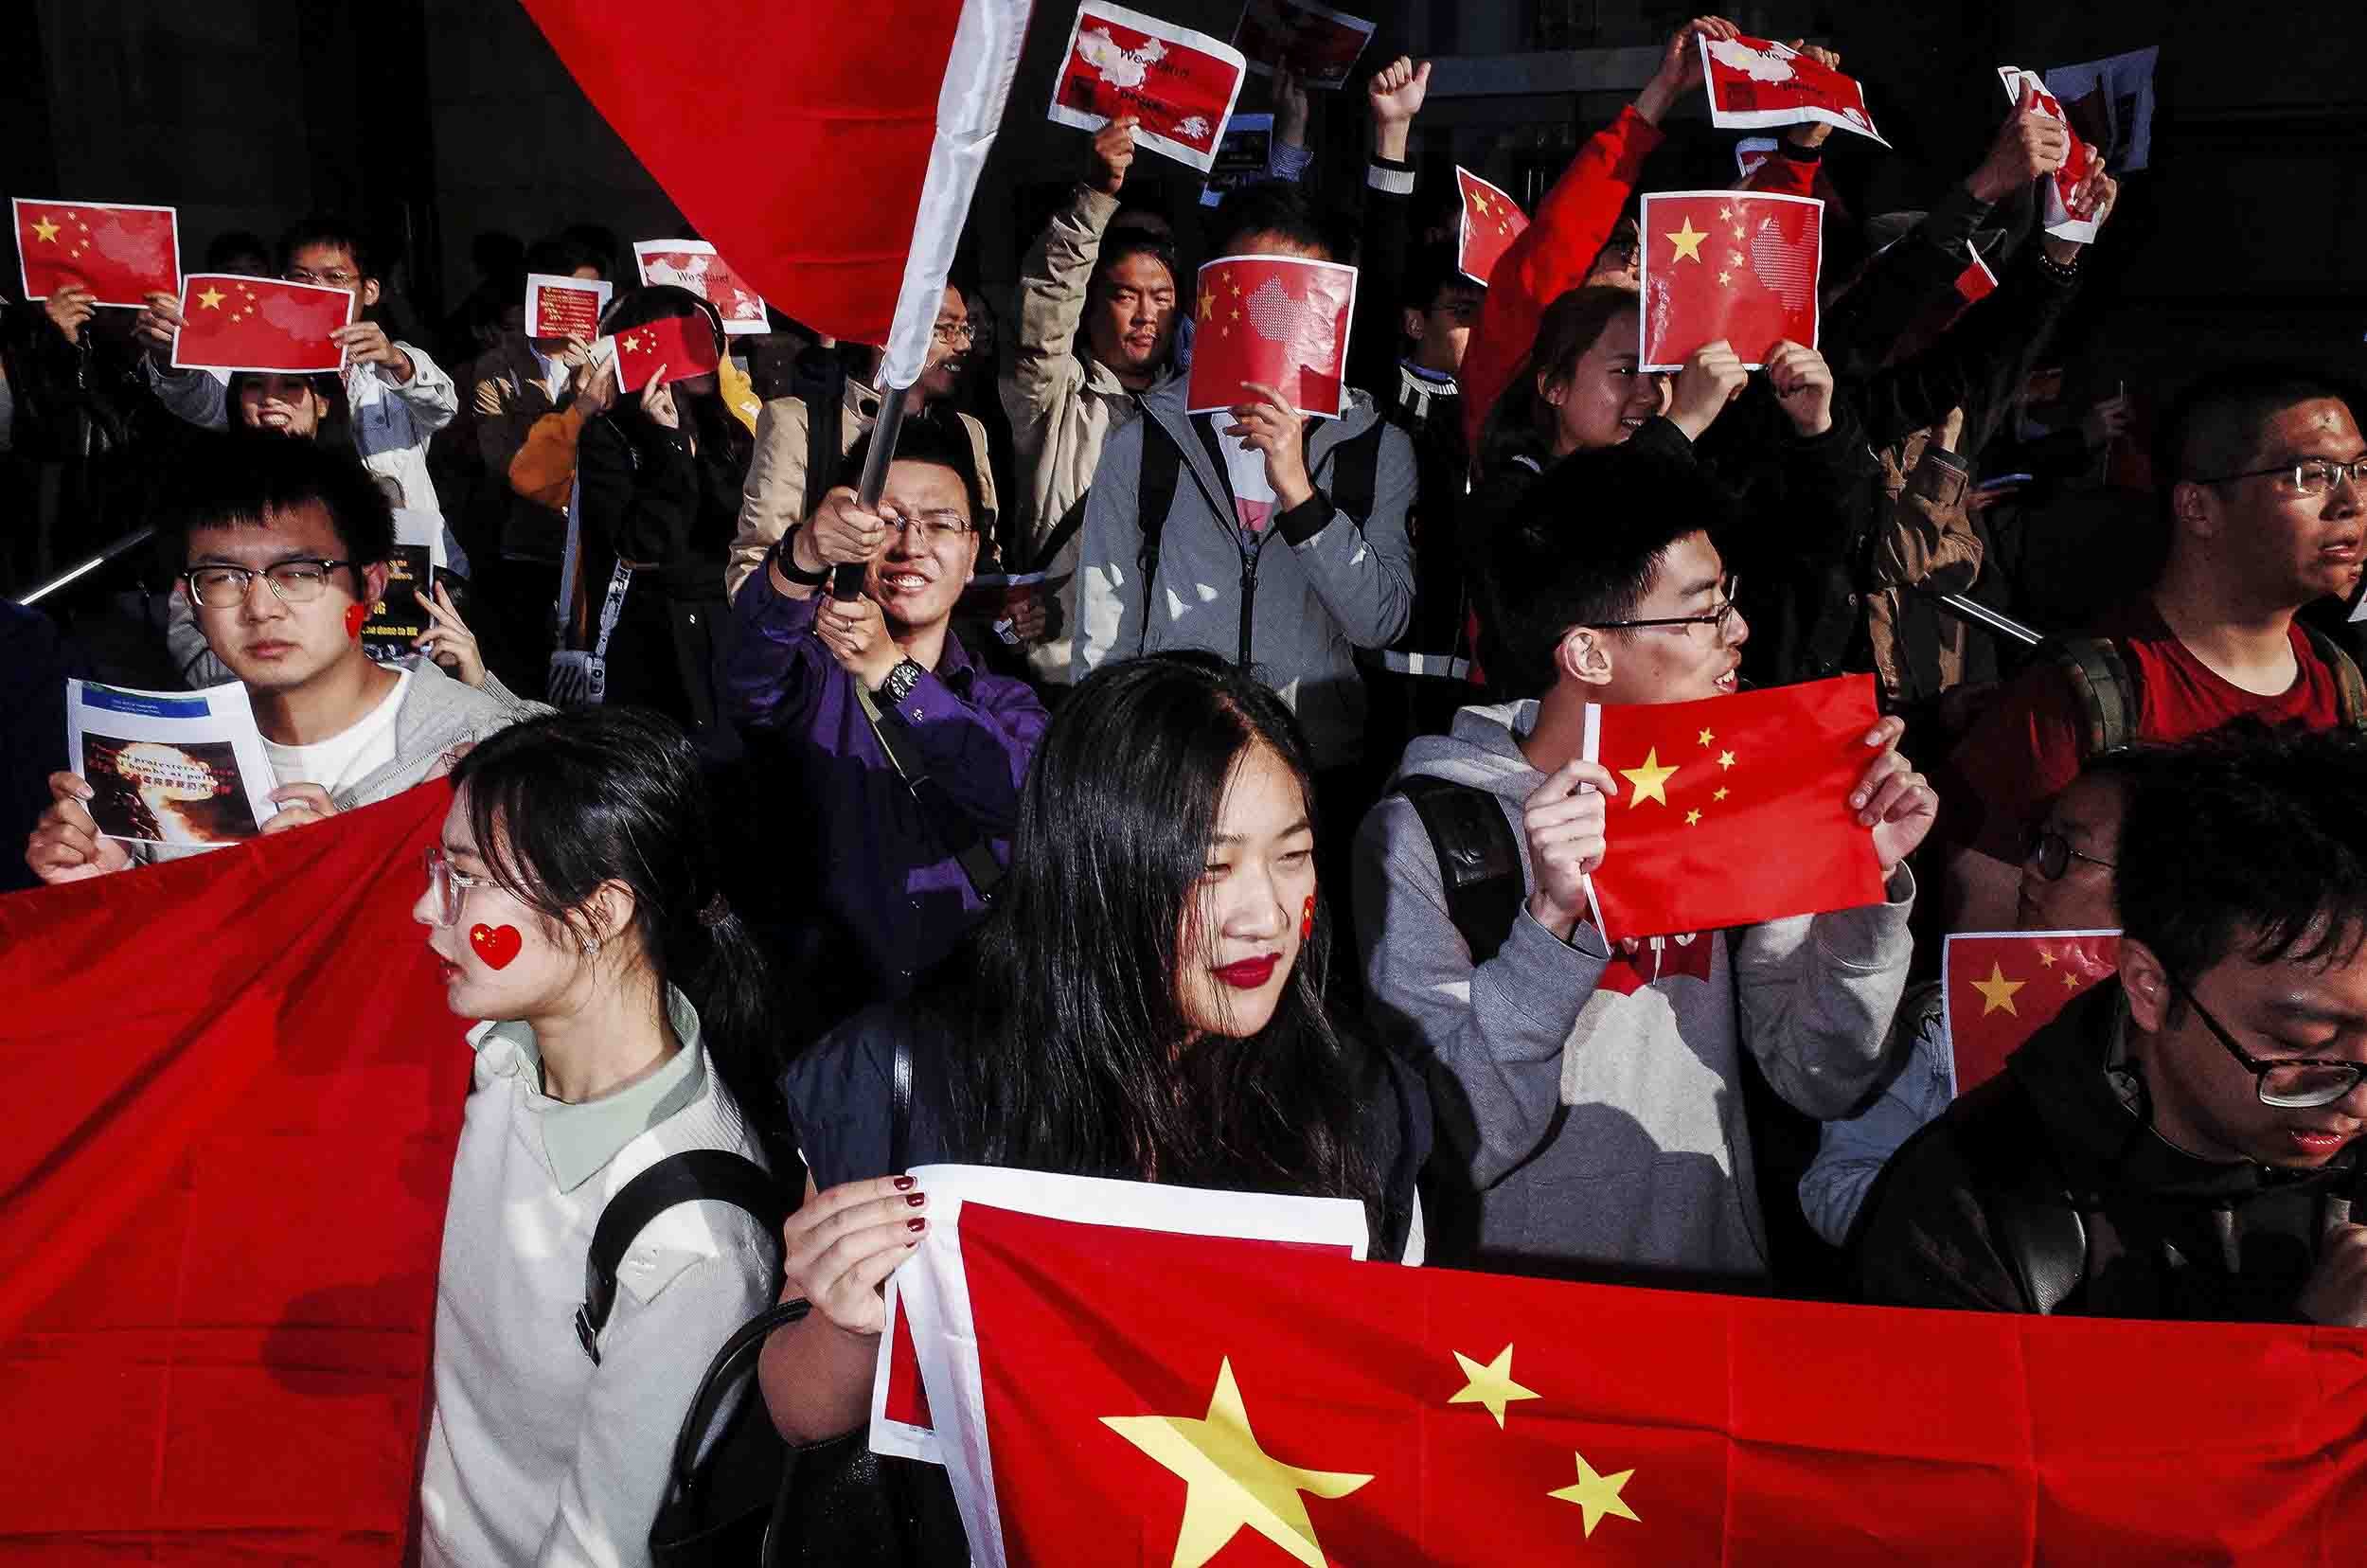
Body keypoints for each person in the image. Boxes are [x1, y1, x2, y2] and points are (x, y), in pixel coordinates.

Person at [756, 653, 1430, 1559]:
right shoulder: (902, 1074)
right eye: (1208, 867)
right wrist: (844, 1323)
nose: (1264, 914)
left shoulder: (1356, 1098)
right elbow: (799, 1415)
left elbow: (1393, 1414)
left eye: (1294, 856)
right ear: (1094, 874)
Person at [1355, 443, 1931, 1287]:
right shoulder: (1428, 835)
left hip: (1714, 1297)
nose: (1738, 631)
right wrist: (1552, 930)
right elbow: (1456, 1143)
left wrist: (1864, 890)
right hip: (1507, 1338)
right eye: (1703, 610)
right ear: (1588, 654)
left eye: (1729, 599)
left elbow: (1820, 1079)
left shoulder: (1741, 793)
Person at [413, 706, 783, 1566]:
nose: (427, 908)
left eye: (465, 878)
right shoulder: (500, 1059)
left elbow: (599, 1548)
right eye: (441, 866)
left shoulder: (689, 1240)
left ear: (599, 912)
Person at [1855, 728, 2367, 1324]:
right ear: (2150, 987)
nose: (2358, 1102)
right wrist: (2315, 1365)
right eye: (2303, 1046)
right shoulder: (1967, 1218)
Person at [1938, 367, 2367, 930]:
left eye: (2360, 471)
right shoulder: (2074, 700)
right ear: (2198, 508)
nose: (2349, 502)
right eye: (2310, 474)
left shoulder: (2345, 689)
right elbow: (1985, 959)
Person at [25, 431, 539, 883]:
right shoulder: (155, 768)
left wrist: (353, 870)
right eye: (223, 577)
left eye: (299, 573)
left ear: (372, 584)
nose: (261, 608)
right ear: (189, 599)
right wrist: (107, 886)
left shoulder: (498, 754)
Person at [1073, 181, 1417, 784]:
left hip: (1315, 764)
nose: (1276, 315)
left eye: (1299, 294)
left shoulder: (1376, 448)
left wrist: (1300, 494)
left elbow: (1380, 621)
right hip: (1177, 763)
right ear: (1213, 294)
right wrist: (1108, 756)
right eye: (1258, 292)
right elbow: (1105, 619)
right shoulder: (1145, 442)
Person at [721, 417, 1046, 1003]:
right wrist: (803, 553)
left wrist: (890, 672)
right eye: (888, 522)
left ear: (973, 553)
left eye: (940, 524)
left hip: (975, 1012)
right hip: (834, 1019)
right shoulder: (813, 674)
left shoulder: (1007, 701)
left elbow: (1019, 799)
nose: (911, 544)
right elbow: (748, 671)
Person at [1799, 749, 2148, 1248]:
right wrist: (1965, 1218)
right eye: (2039, 840)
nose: (2030, 866)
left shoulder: (2207, 1034)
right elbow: (1834, 1186)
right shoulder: (1938, 1024)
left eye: (2064, 852)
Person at [1001, 114, 1185, 688]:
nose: (1145, 314)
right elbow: (1044, 311)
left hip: (1169, 677)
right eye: (1126, 295)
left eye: (1161, 297)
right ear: (1094, 303)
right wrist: (1095, 199)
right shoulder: (1052, 400)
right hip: (1068, 676)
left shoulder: (1195, 412)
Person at [134, 216, 462, 537]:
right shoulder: (252, 360)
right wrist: (168, 355)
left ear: (371, 289)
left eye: (335, 277)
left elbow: (442, 408)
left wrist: (396, 362)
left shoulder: (395, 360)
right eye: (301, 277)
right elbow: (199, 401)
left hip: (407, 558)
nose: (318, 290)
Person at [724, 284, 1001, 605]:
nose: (964, 344)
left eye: (966, 329)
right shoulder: (798, 425)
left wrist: (1008, 610)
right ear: (886, 338)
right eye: (945, 330)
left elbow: (979, 561)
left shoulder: (968, 433)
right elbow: (750, 579)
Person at [576, 287, 756, 740]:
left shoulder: (727, 428)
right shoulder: (609, 436)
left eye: (711, 339)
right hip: (654, 641)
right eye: (687, 340)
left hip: (725, 626)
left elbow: (740, 526)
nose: (707, 353)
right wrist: (668, 442)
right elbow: (642, 545)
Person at [465, 236, 615, 691]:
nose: (575, 310)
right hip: (527, 545)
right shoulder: (497, 366)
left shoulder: (615, 360)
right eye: (564, 295)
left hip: (596, 549)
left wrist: (592, 372)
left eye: (588, 298)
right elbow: (504, 461)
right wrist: (575, 395)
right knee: (527, 672)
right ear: (536, 296)